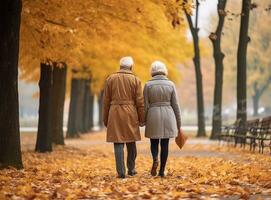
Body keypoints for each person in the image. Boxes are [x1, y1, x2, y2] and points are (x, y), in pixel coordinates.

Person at [103, 56, 145, 179]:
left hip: (114, 112)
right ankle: (131, 169)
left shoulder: (110, 79)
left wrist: (105, 119)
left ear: (120, 66)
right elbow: (140, 102)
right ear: (131, 66)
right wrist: (142, 118)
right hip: (130, 113)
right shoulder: (135, 80)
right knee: (131, 141)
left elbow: (106, 101)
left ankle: (121, 171)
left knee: (118, 142)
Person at [144, 61, 181, 177]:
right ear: (164, 70)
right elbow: (176, 105)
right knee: (165, 143)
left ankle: (155, 158)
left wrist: (143, 119)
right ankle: (161, 171)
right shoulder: (171, 84)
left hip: (153, 114)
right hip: (168, 115)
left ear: (152, 71)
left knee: (154, 142)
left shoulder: (147, 85)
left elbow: (145, 104)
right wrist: (178, 123)